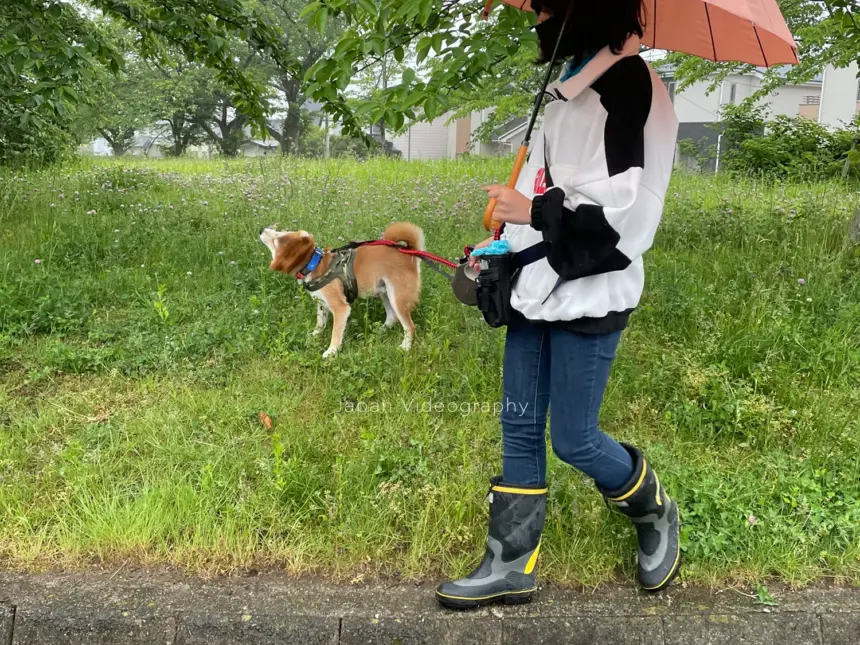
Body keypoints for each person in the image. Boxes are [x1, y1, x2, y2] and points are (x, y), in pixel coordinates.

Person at [435, 0, 680, 609]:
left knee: (574, 438)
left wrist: (534, 212)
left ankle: (655, 511)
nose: (539, 19)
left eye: (548, 7)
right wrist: (499, 249)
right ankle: (509, 563)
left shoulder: (632, 87)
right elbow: (544, 189)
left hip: (591, 292)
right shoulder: (570, 87)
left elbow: (630, 219)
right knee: (519, 426)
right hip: (535, 292)